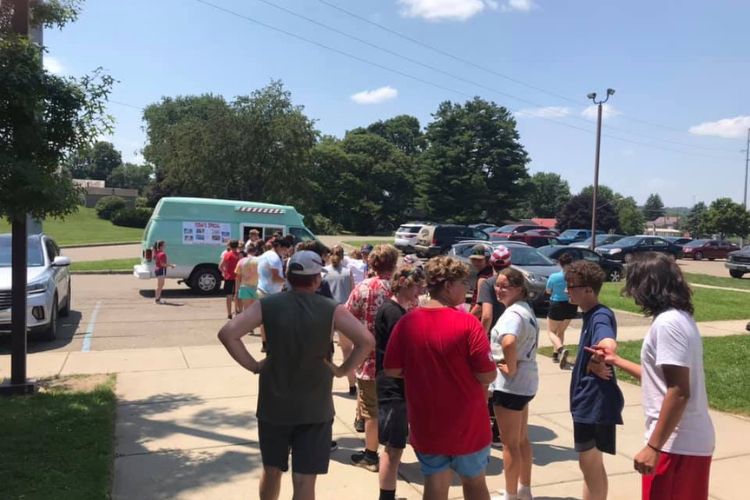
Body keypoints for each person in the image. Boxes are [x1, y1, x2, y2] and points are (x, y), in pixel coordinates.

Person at [217, 251, 375, 500]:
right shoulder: (331, 309)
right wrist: (343, 371)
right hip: (315, 407)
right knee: (304, 480)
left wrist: (255, 366)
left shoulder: (267, 305)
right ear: (315, 280)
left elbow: (228, 334)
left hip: (273, 405)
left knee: (271, 471)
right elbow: (366, 341)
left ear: (289, 277)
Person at [588, 253, 715, 500]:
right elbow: (660, 380)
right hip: (682, 442)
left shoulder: (668, 324)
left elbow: (679, 391)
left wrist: (654, 447)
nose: (632, 292)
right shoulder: (679, 318)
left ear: (647, 285)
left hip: (676, 445)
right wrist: (616, 360)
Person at [384, 256, 497, 500]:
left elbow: (392, 369)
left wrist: (423, 371)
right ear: (447, 285)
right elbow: (487, 373)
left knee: (434, 484)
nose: (468, 288)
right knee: (475, 482)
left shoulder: (407, 322)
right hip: (467, 424)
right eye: (463, 282)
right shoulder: (468, 323)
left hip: (427, 422)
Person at [564, 260, 624, 500]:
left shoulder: (600, 316)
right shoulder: (591, 315)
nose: (567, 290)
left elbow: (607, 341)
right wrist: (592, 362)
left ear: (588, 289)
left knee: (588, 464)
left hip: (594, 403)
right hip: (591, 402)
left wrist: (601, 356)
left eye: (572, 286)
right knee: (593, 465)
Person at [346, 244, 399, 472]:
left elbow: (347, 316)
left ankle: (370, 455)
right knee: (395, 407)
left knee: (370, 411)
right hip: (396, 360)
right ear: (393, 264)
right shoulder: (400, 289)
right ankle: (392, 451)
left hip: (368, 359)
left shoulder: (363, 288)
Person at [374, 264, 425, 500]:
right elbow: (402, 353)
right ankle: (386, 497)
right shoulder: (394, 313)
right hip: (393, 387)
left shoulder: (396, 310)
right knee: (393, 449)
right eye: (416, 285)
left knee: (396, 447)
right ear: (404, 284)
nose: (420, 290)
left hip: (395, 385)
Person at [491, 267, 540, 500]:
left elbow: (508, 342)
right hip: (526, 382)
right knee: (521, 440)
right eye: (497, 285)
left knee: (509, 444)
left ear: (519, 289)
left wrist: (509, 368)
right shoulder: (525, 309)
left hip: (510, 385)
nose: (499, 290)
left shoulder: (511, 315)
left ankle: (511, 495)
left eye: (505, 286)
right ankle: (524, 489)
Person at [477, 245, 511, 448]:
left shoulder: (490, 283)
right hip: (514, 338)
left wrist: (480, 339)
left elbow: (486, 314)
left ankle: (488, 430)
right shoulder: (517, 282)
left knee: (487, 386)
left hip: (494, 340)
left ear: (491, 263)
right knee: (506, 384)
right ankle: (501, 430)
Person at [324, 245, 357, 395]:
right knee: (347, 351)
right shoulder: (347, 272)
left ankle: (326, 383)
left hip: (328, 312)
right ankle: (351, 384)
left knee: (326, 350)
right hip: (344, 312)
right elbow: (352, 292)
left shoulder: (324, 272)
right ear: (343, 256)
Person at [545, 252, 578, 368]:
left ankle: (560, 349)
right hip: (571, 305)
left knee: (551, 332)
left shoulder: (554, 277)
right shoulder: (574, 276)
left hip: (557, 304)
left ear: (560, 263)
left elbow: (548, 291)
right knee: (561, 331)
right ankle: (555, 355)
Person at [468, 245, 494, 319]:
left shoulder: (483, 278)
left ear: (487, 259)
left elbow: (480, 306)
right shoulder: (491, 272)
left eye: (479, 260)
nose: (476, 263)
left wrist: (467, 320)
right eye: (473, 259)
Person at [234, 245, 260, 314]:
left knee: (247, 310)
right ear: (255, 251)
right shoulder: (259, 260)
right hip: (257, 287)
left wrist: (236, 291)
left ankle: (248, 324)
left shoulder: (241, 261)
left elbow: (238, 277)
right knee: (256, 311)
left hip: (244, 287)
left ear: (246, 251)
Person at [219, 240, 241, 319]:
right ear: (237, 246)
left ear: (230, 246)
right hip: (238, 277)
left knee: (229, 295)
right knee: (237, 295)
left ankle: (229, 313)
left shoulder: (227, 255)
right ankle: (237, 311)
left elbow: (220, 266)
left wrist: (225, 272)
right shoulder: (240, 255)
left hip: (229, 277)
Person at [153, 240, 175, 304]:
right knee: (160, 286)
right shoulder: (162, 254)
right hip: (161, 270)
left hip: (158, 270)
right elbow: (163, 264)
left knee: (160, 285)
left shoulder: (157, 252)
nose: (165, 246)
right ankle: (157, 299)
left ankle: (158, 298)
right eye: (164, 245)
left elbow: (154, 257)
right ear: (161, 246)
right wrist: (171, 265)